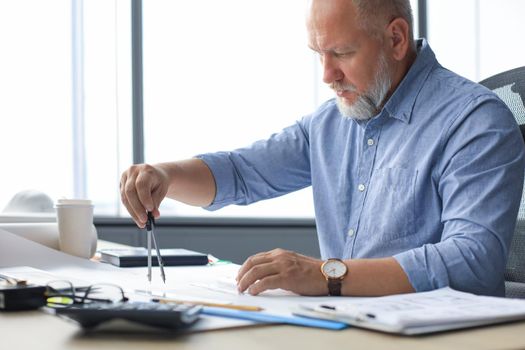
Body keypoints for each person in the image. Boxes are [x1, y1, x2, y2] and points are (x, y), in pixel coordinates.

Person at [120, 0, 525, 297]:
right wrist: (166, 176)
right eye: (319, 54)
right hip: (349, 327)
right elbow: (241, 174)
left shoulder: (475, 121)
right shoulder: (331, 123)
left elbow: (472, 261)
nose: (328, 76)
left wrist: (329, 274)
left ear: (396, 38)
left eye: (342, 53)